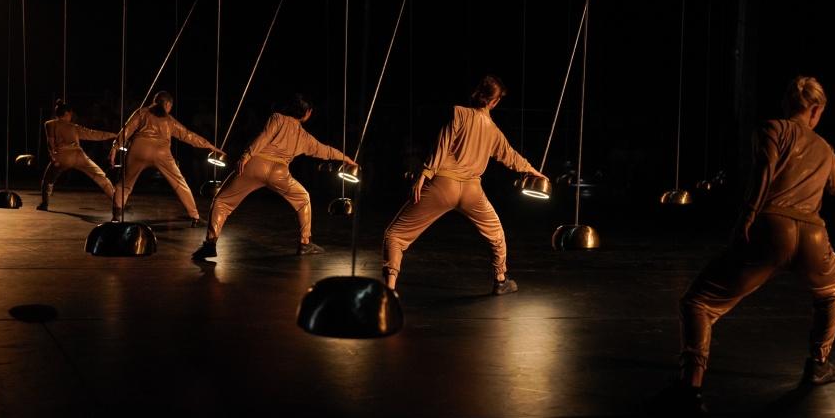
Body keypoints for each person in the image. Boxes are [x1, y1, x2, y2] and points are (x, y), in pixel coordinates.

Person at [670, 76, 835, 413]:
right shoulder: (824, 148)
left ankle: (690, 387)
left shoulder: (772, 129)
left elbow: (764, 173)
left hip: (771, 229)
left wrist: (747, 217)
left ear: (788, 106)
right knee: (833, 288)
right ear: (815, 110)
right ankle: (818, 363)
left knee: (698, 303)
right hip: (813, 237)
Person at [381, 75, 547, 295]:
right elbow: (512, 157)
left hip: (443, 185)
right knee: (496, 233)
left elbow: (442, 144)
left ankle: (389, 288)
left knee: (395, 235)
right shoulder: (494, 131)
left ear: (478, 93)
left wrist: (424, 175)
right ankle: (500, 279)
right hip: (471, 191)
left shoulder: (459, 113)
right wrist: (536, 172)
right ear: (494, 102)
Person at [192, 94, 357, 258]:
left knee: (222, 202)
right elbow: (326, 150)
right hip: (279, 173)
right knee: (303, 199)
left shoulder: (277, 118)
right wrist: (347, 159)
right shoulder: (305, 137)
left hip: (254, 165)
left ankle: (210, 244)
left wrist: (246, 156)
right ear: (307, 114)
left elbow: (264, 136)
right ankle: (305, 243)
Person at [110, 91, 219, 225]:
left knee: (125, 185)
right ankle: (195, 216)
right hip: (161, 153)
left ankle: (116, 216)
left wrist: (115, 147)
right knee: (179, 183)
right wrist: (209, 145)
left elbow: (126, 130)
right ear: (167, 104)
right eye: (170, 106)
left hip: (138, 150)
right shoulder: (169, 120)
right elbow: (188, 135)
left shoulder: (141, 112)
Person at [37, 99, 117, 211]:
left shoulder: (49, 124)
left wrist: (53, 157)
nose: (71, 116)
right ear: (66, 114)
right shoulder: (74, 127)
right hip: (78, 156)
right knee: (101, 176)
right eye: (70, 114)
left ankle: (44, 204)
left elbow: (50, 143)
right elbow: (93, 134)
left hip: (62, 157)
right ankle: (117, 202)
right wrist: (113, 135)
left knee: (48, 180)